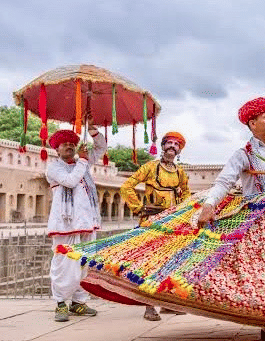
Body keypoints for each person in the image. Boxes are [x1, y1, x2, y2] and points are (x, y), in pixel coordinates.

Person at [196, 97, 265, 341]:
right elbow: (224, 181)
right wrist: (209, 205)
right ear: (252, 123)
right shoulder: (243, 154)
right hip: (261, 220)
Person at [120, 131, 191, 321]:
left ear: (179, 150)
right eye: (169, 143)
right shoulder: (150, 168)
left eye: (177, 144)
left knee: (171, 263)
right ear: (163, 146)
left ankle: (168, 304)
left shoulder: (180, 172)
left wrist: (184, 212)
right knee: (150, 264)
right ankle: (149, 306)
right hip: (152, 221)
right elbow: (126, 186)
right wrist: (138, 208)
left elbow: (186, 194)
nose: (172, 146)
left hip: (173, 223)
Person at [46, 118, 106, 322]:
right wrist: (82, 160)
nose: (70, 147)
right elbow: (70, 182)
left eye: (72, 144)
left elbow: (101, 147)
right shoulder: (54, 168)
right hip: (65, 225)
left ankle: (79, 303)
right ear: (57, 150)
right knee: (63, 263)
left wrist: (93, 129)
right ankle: (61, 303)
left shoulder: (83, 163)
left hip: (86, 223)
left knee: (84, 263)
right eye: (65, 145)